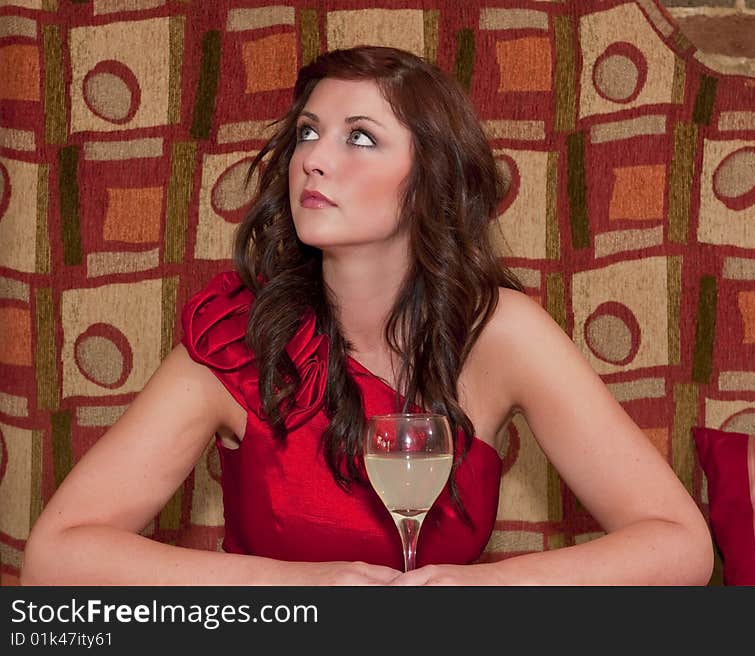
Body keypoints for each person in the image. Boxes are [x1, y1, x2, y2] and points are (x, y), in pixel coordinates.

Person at [22, 46, 713, 586]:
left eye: (359, 138)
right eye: (307, 133)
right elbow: (57, 558)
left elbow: (679, 543)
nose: (313, 161)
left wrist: (488, 588)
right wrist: (296, 591)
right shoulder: (239, 338)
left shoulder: (499, 332)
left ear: (429, 179)